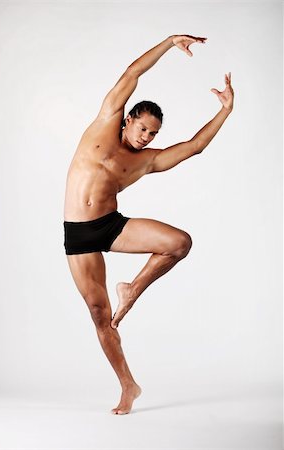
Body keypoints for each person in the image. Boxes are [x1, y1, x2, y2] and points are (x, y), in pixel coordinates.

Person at [63, 34, 234, 415]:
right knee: (97, 313)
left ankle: (133, 289)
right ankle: (128, 386)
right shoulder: (105, 122)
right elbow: (133, 72)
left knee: (180, 243)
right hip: (78, 232)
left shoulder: (147, 160)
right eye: (143, 129)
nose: (147, 138)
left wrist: (225, 111)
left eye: (154, 134)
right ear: (127, 120)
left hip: (110, 224)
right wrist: (170, 43)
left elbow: (194, 147)